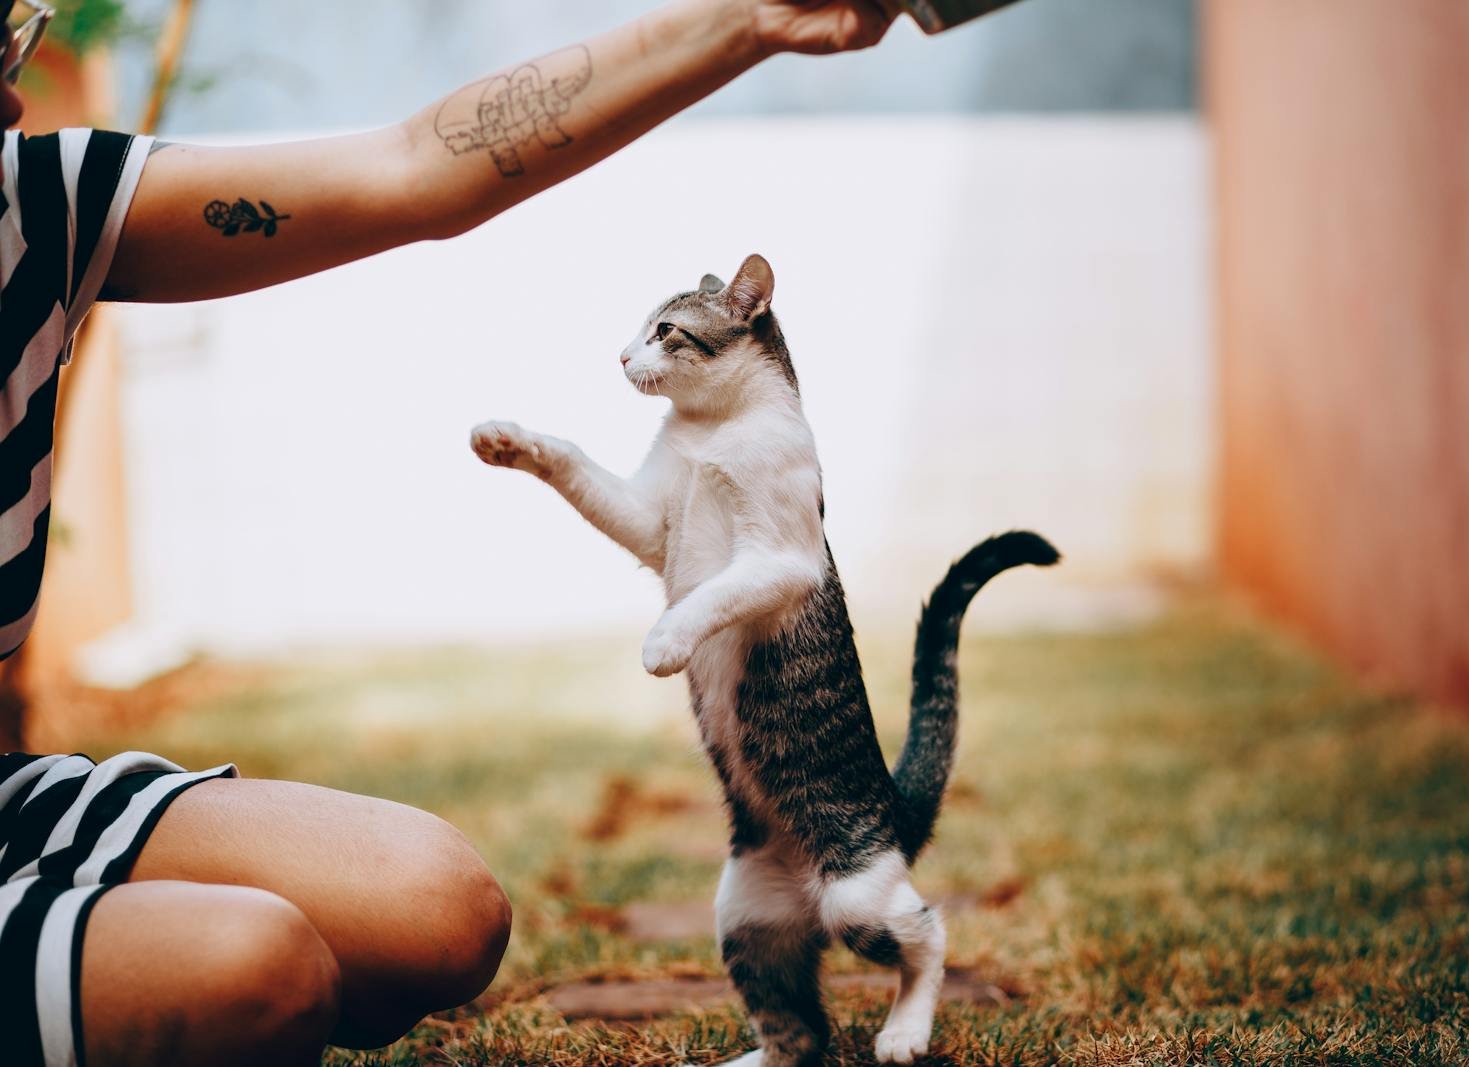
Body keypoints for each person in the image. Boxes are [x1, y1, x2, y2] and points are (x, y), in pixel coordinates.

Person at [0, 1, 896, 1064]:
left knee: (439, 905)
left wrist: (753, 19)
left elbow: (416, 165)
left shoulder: (35, 198)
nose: (21, 82)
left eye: (10, 36)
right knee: (255, 966)